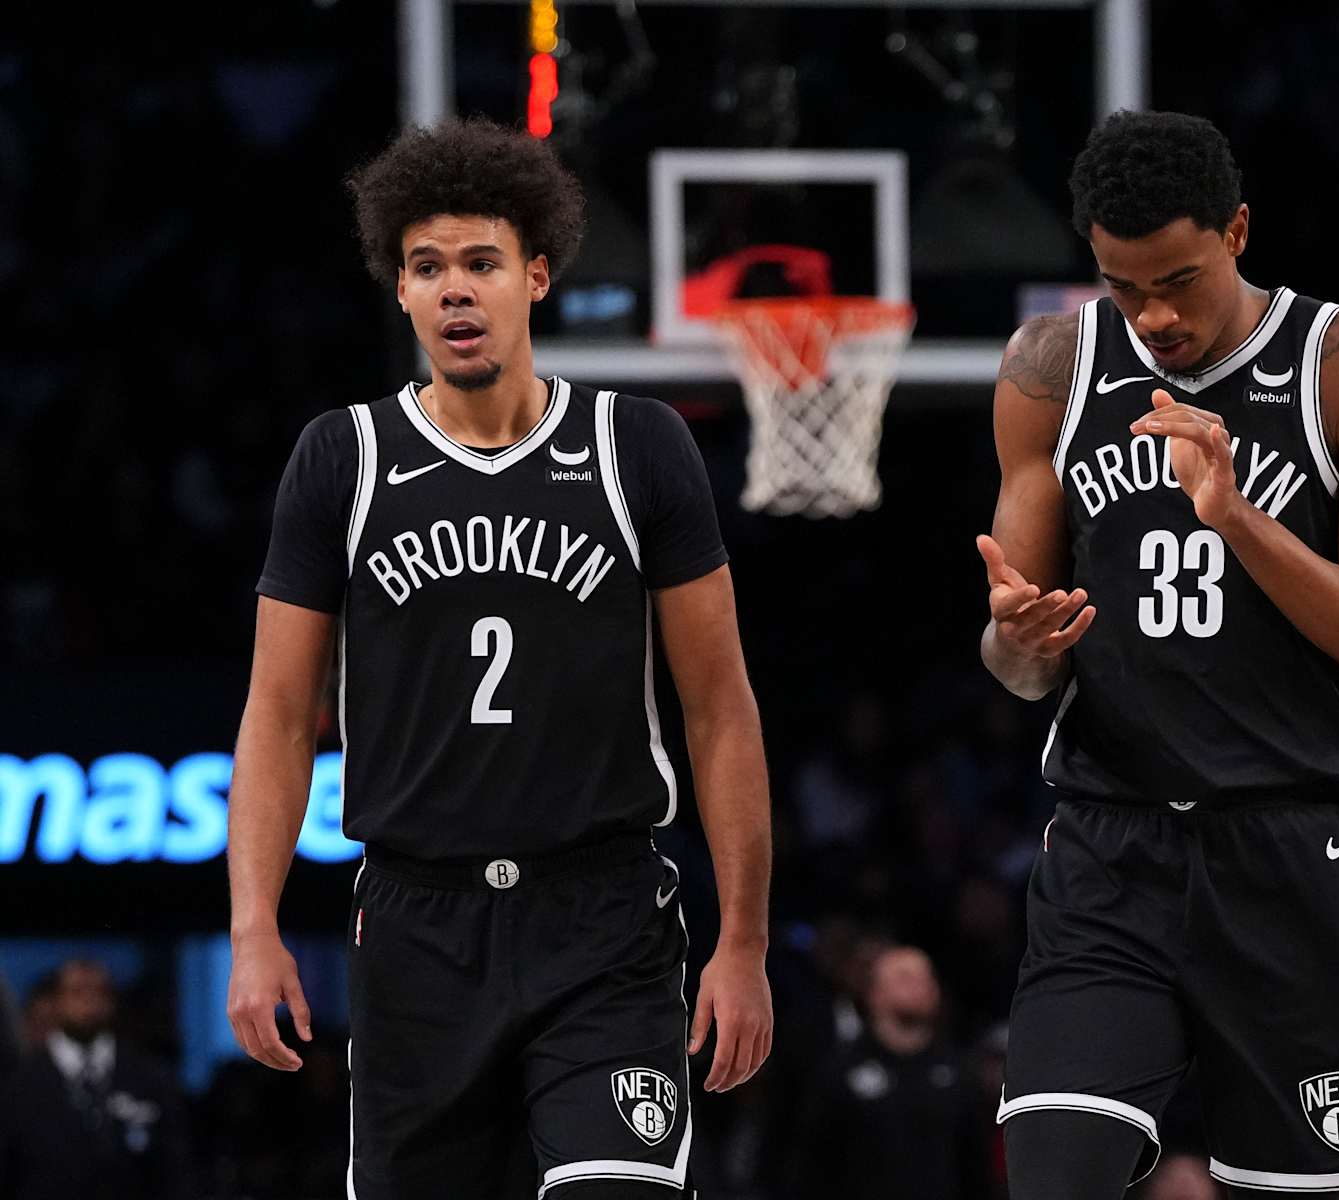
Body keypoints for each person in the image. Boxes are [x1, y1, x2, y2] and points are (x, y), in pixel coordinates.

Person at [225, 117, 773, 1200]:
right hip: (418, 926)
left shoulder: (636, 444)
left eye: (480, 263)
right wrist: (252, 928)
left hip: (603, 919)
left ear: (535, 275)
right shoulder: (344, 457)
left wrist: (742, 942)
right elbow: (281, 716)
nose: (454, 290)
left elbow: (720, 709)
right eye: (426, 268)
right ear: (400, 291)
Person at [977, 109, 1339, 1197]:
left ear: (1237, 231)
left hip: (1288, 851)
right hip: (1110, 848)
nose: (1154, 316)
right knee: (1052, 1175)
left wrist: (1239, 519)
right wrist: (1014, 641)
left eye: (1177, 280)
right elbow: (1024, 664)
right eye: (1124, 285)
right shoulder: (1051, 366)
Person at [787, 946, 988, 1200]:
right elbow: (811, 1167)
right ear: (874, 993)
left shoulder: (959, 1073)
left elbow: (976, 1170)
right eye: (905, 977)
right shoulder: (840, 1072)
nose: (919, 986)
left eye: (926, 978)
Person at [0, 960, 196, 1200]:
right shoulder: (20, 1085)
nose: (87, 1002)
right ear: (55, 1002)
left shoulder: (150, 1078)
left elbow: (175, 1169)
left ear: (111, 1001)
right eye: (76, 992)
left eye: (97, 992)